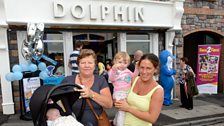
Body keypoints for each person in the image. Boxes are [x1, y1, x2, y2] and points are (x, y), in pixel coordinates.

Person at [61, 49, 113, 126]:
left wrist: (91, 94)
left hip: (96, 122)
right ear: (78, 65)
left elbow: (109, 104)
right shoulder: (68, 80)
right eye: (83, 63)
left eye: (90, 63)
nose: (87, 65)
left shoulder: (100, 80)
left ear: (95, 65)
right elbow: (57, 101)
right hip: (72, 122)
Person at [114, 53, 164, 126]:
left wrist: (128, 108)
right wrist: (117, 101)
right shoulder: (133, 80)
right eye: (142, 67)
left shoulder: (158, 90)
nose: (144, 72)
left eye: (148, 68)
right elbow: (120, 92)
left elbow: (152, 118)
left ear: (155, 69)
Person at [109, 52, 139, 126]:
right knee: (122, 110)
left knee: (123, 109)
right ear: (114, 62)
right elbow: (111, 79)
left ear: (128, 63)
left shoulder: (127, 71)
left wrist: (137, 68)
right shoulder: (114, 71)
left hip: (128, 92)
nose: (122, 64)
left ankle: (115, 122)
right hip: (119, 93)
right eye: (120, 62)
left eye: (125, 63)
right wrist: (113, 70)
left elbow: (134, 76)